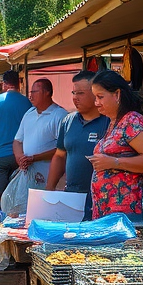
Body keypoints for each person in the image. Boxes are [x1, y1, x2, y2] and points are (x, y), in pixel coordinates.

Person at [86, 70, 143, 220]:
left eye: (100, 97)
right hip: (107, 213)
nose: (96, 103)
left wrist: (114, 162)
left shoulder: (132, 121)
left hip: (126, 214)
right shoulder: (113, 122)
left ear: (117, 95)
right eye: (95, 97)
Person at [46, 71, 110, 221]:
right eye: (73, 92)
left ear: (95, 94)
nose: (75, 97)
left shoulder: (109, 121)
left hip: (101, 196)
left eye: (80, 93)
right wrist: (49, 189)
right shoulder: (68, 121)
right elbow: (60, 156)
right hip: (72, 197)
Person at [0, 69, 32, 220]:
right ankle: (16, 223)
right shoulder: (26, 102)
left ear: (4, 84)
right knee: (18, 191)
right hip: (20, 156)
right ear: (19, 83)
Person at [12, 79, 68, 193]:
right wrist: (20, 157)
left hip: (49, 177)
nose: (31, 96)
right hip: (28, 174)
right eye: (30, 93)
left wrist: (35, 158)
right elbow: (18, 140)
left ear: (47, 92)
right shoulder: (29, 113)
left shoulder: (60, 115)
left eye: (34, 92)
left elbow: (63, 149)